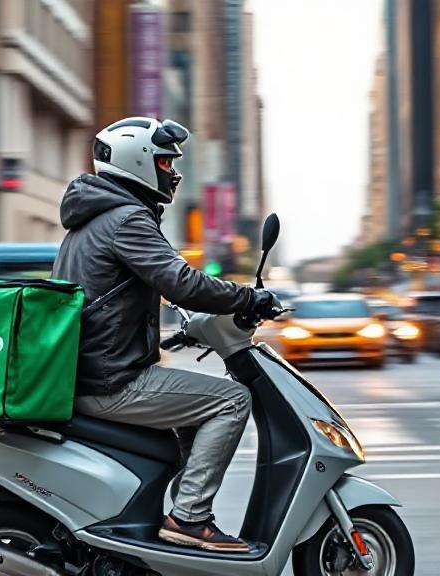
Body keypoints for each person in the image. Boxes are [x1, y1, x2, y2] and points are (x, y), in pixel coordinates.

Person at [52, 117, 278, 553]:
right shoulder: (126, 219)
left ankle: (168, 524)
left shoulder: (92, 218)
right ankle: (189, 519)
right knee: (232, 400)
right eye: (164, 161)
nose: (172, 171)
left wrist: (180, 333)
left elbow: (118, 296)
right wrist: (246, 298)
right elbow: (182, 282)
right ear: (137, 162)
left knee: (192, 418)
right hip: (111, 381)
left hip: (88, 372)